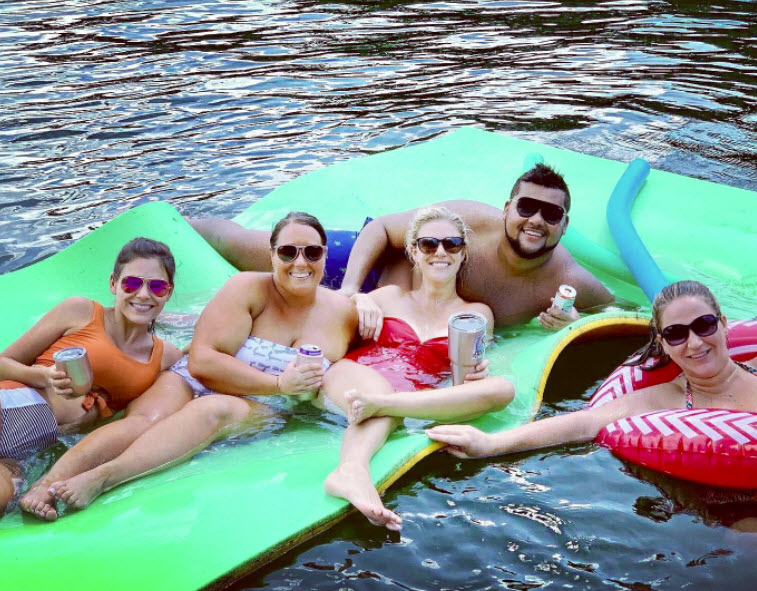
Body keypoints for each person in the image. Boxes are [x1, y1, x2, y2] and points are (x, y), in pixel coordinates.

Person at [41, 212, 357, 514]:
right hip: (199, 378)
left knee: (211, 410)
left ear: (325, 255)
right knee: (145, 419)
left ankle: (103, 477)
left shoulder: (344, 312)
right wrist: (278, 384)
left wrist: (367, 301)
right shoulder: (247, 288)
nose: (300, 262)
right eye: (288, 253)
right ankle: (46, 484)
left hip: (262, 405)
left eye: (312, 253)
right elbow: (202, 363)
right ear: (272, 255)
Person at [188, 164, 613, 329]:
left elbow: (621, 314)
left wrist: (573, 320)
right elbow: (384, 230)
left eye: (550, 214)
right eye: (528, 207)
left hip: (403, 317)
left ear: (564, 225)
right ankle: (173, 224)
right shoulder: (470, 219)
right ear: (507, 209)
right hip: (371, 265)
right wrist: (351, 288)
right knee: (244, 246)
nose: (536, 220)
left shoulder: (567, 280)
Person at [318, 207, 515, 530]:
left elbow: (471, 371)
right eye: (428, 245)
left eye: (451, 244)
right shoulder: (389, 296)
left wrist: (477, 375)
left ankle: (385, 407)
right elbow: (327, 318)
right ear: (413, 252)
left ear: (463, 253)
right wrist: (357, 299)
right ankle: (350, 470)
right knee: (380, 393)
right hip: (354, 378)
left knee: (502, 389)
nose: (440, 252)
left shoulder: (476, 314)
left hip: (408, 402)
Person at [426, 280, 757, 464]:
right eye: (676, 333)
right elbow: (583, 422)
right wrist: (489, 444)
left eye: (704, 325)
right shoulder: (666, 398)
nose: (695, 343)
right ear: (663, 343)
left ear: (724, 323)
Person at [1, 237, 182, 517]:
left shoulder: (166, 356)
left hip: (32, 445)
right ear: (113, 284)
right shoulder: (81, 311)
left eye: (157, 286)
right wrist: (41, 376)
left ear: (168, 293)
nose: (144, 294)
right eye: (132, 284)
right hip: (13, 405)